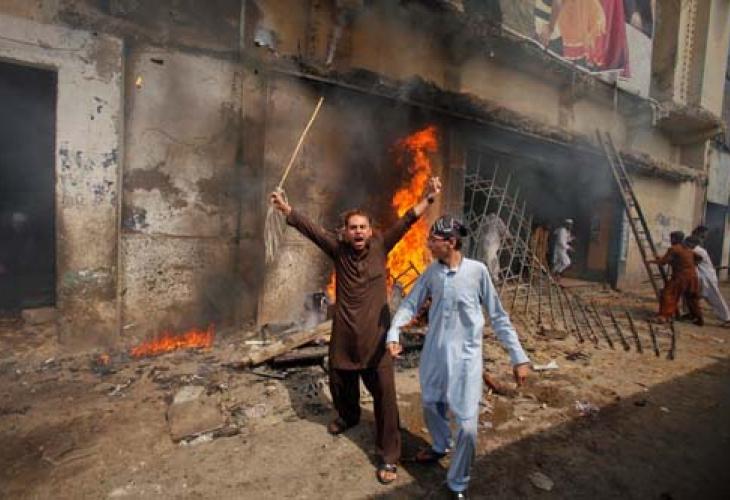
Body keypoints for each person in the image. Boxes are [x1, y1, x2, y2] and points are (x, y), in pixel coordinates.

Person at [269, 176, 441, 485]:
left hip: (376, 337)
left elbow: (407, 220)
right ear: (345, 232)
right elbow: (311, 229)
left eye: (363, 227)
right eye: (353, 228)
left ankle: (389, 456)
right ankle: (348, 416)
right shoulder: (339, 250)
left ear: (370, 230)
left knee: (385, 398)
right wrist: (285, 209)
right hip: (345, 334)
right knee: (340, 379)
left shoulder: (381, 245)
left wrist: (428, 198)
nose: (358, 231)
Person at [385, 215, 530, 499]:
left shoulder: (477, 272)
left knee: (467, 427)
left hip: (466, 360)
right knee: (431, 404)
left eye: (433, 240)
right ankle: (441, 445)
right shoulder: (432, 273)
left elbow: (499, 317)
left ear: (451, 242)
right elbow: (410, 304)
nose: (428, 245)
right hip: (434, 355)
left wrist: (519, 357)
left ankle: (458, 483)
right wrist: (394, 332)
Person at [648, 231, 703, 325]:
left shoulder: (674, 248)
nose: (670, 240)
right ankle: (698, 317)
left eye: (671, 238)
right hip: (693, 277)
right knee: (692, 298)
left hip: (680, 277)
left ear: (674, 239)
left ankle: (663, 316)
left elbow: (663, 262)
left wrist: (651, 261)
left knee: (668, 295)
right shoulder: (688, 249)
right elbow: (699, 258)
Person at [685, 236, 730, 326]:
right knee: (692, 297)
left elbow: (692, 258)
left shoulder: (698, 251)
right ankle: (693, 314)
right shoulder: (695, 250)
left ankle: (727, 318)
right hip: (702, 278)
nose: (686, 245)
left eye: (687, 243)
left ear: (692, 243)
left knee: (715, 299)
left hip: (708, 278)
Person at [480, 212, 509, 280]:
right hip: (492, 242)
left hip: (484, 242)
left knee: (485, 258)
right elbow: (506, 233)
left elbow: (480, 232)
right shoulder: (497, 220)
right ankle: (494, 277)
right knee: (492, 258)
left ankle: (487, 276)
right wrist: (507, 237)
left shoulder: (485, 219)